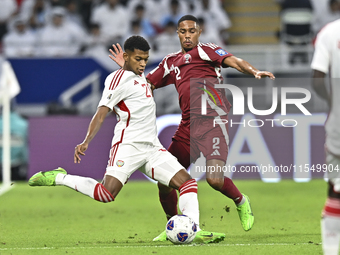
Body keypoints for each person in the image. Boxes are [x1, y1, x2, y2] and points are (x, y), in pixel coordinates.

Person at [28, 35, 225, 244]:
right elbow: (101, 112)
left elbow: (137, 76)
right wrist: (86, 141)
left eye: (145, 59)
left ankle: (194, 228)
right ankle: (59, 177)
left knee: (187, 183)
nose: (142, 64)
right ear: (126, 56)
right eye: (138, 59)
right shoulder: (116, 79)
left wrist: (129, 65)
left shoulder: (140, 77)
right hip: (127, 147)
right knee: (106, 194)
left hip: (152, 149)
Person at [110, 15, 275, 242]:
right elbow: (144, 84)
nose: (187, 35)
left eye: (191, 31)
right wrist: (127, 69)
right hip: (188, 127)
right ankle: (173, 224)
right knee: (164, 181)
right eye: (183, 31)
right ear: (177, 34)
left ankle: (241, 201)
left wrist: (254, 71)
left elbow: (234, 61)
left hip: (213, 123)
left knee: (215, 180)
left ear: (199, 33)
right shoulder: (170, 62)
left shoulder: (207, 51)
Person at [311, 18, 340, 255]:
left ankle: (331, 251)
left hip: (339, 123)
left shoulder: (330, 32)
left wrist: (334, 102)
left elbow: (317, 79)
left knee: (335, 187)